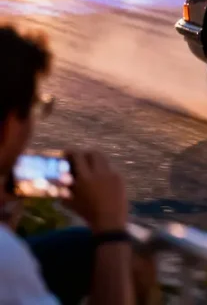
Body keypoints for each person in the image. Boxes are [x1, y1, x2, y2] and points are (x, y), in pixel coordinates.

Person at [0, 24, 135, 305]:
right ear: (9, 126)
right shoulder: (7, 263)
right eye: (36, 109)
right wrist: (111, 229)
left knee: (79, 247)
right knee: (126, 260)